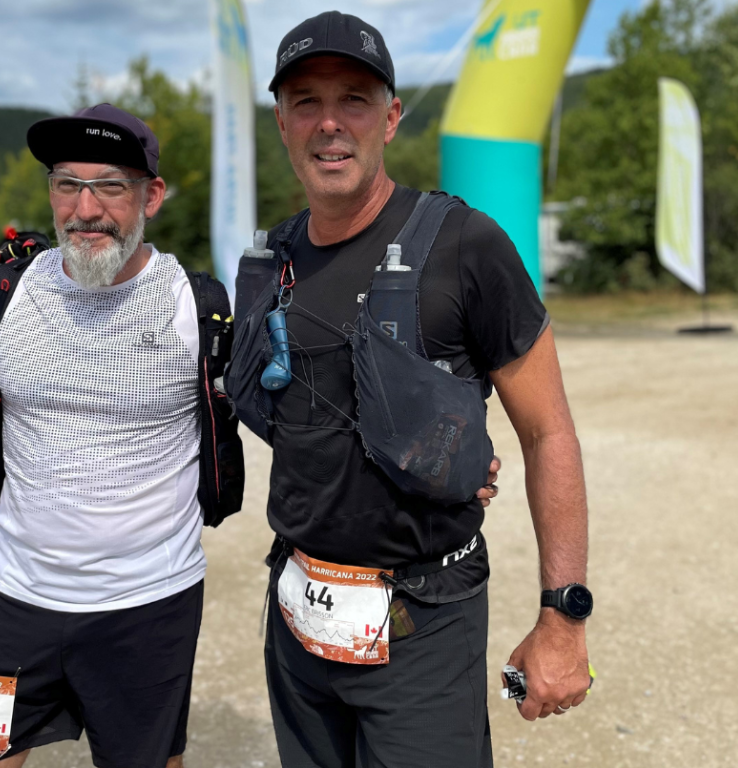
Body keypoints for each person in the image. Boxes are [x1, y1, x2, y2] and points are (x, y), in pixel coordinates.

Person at [228, 12, 592, 767]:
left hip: (423, 623)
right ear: (282, 123)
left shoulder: (466, 246)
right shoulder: (273, 258)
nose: (330, 123)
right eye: (306, 102)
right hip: (298, 617)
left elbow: (548, 432)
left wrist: (564, 616)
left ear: (391, 118)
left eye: (355, 99)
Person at [0, 104, 212, 768]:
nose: (85, 207)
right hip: (18, 606)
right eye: (66, 184)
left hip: (150, 608)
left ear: (152, 195)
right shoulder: (1, 296)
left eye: (110, 184)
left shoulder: (193, 309)